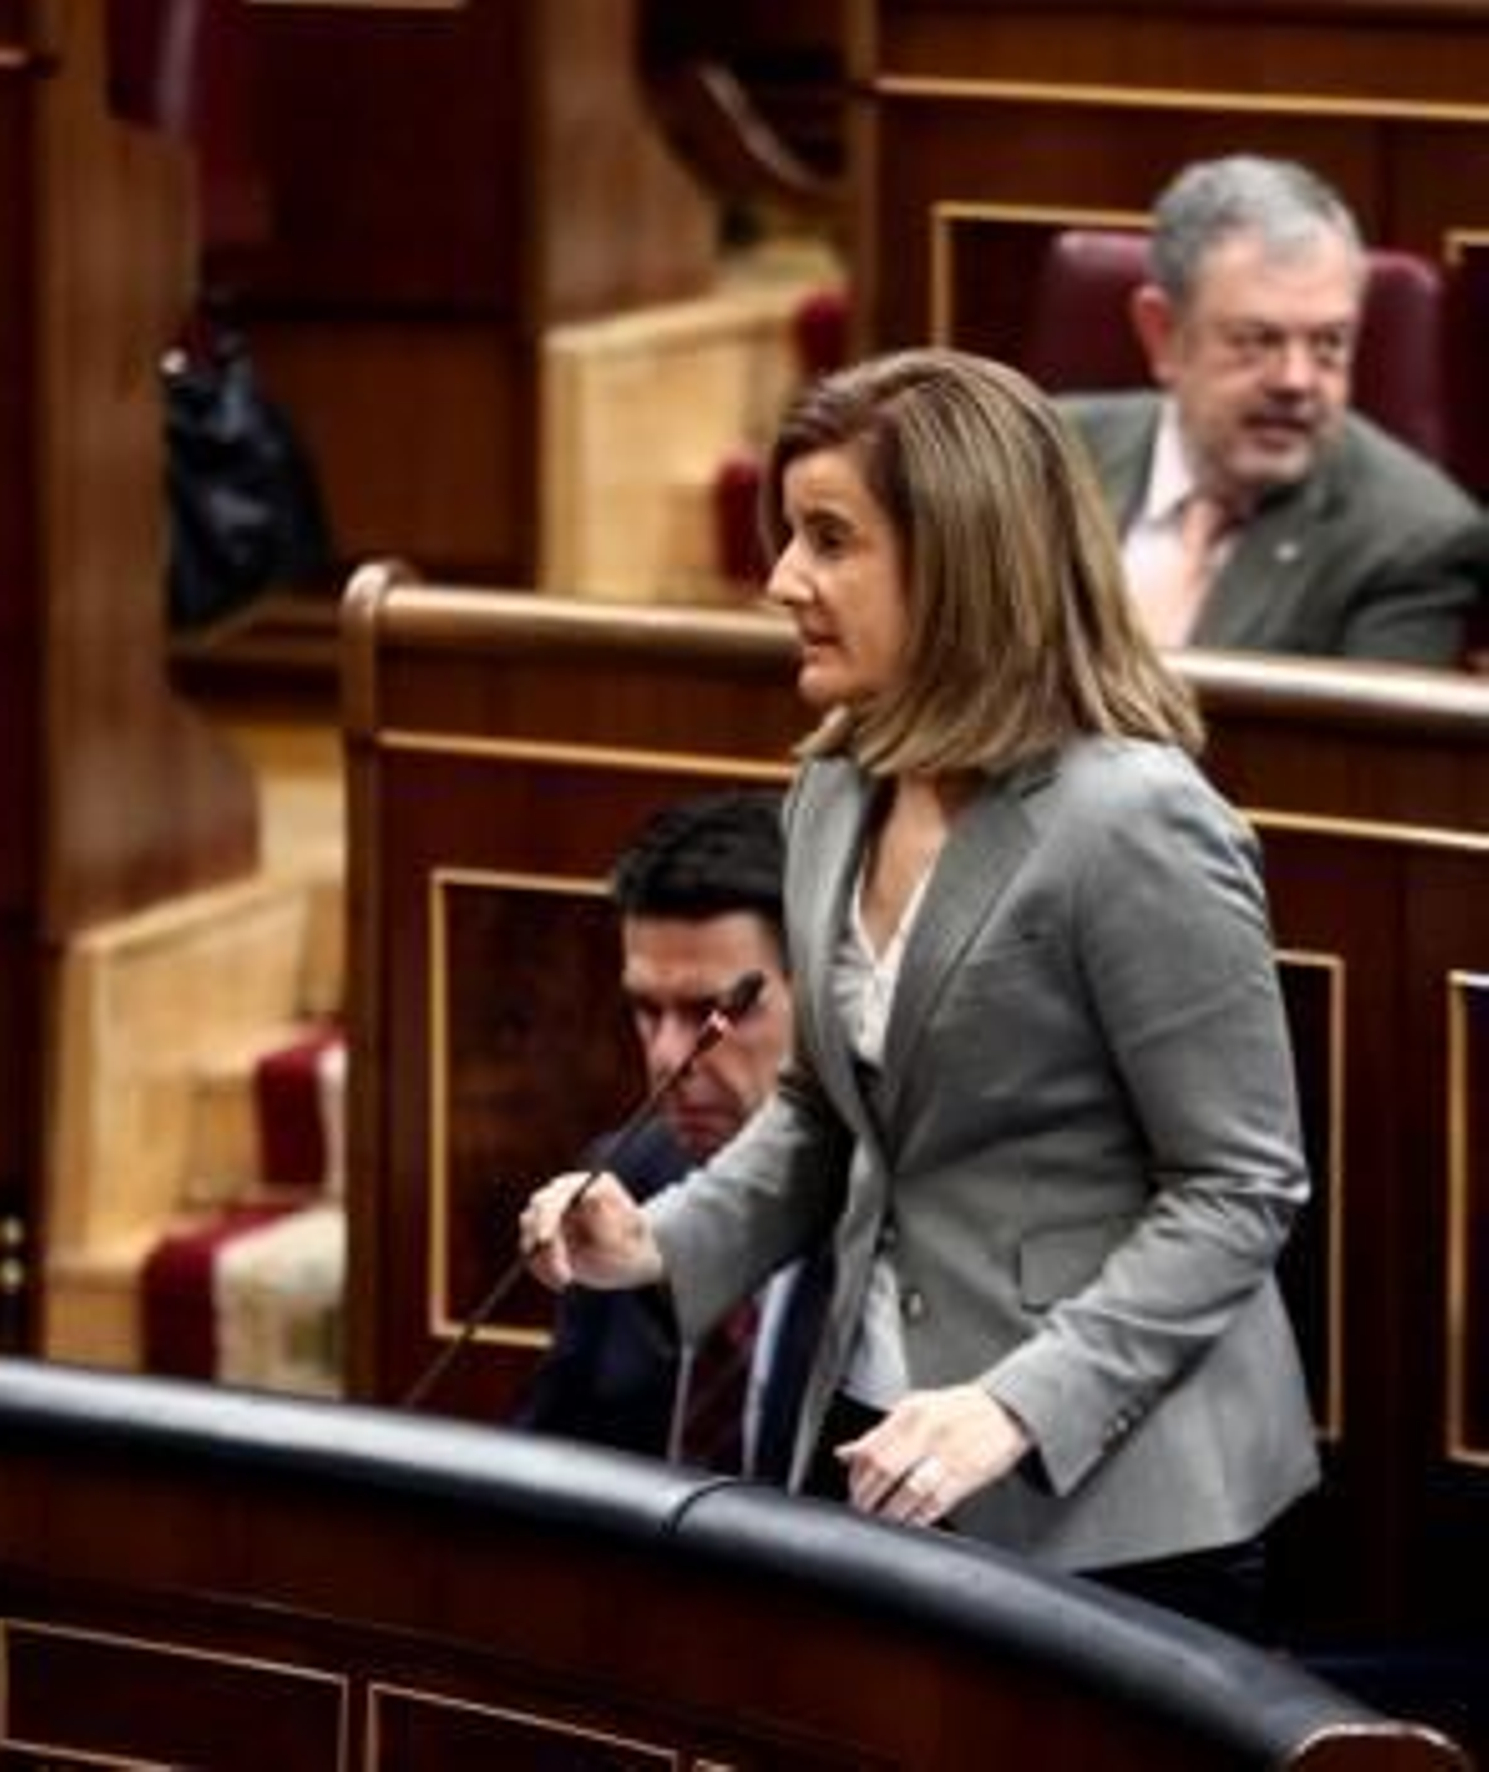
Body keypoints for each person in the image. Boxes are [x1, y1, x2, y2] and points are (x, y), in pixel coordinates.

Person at [520, 346, 1320, 1639]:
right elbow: (827, 1112)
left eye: (830, 540)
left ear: (960, 562)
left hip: (1112, 1500)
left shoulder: (1134, 822)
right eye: (790, 537)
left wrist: (1016, 1403)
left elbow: (1240, 1189)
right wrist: (661, 1239)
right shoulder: (840, 782)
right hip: (881, 1440)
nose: (784, 581)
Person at [514, 789, 826, 1480]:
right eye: (646, 1012)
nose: (666, 1057)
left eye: (712, 1013)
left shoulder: (888, 1220)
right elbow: (552, 1467)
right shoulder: (623, 1186)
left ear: (826, 994)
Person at [1062, 154, 1481, 666]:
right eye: (1256, 341)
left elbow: (1355, 750)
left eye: (1329, 343)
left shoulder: (1413, 541)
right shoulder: (1038, 461)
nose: (1296, 381)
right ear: (1163, 335)